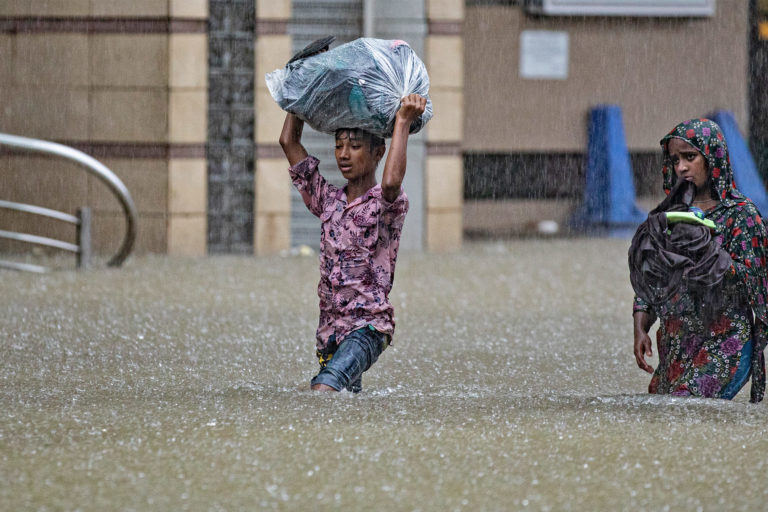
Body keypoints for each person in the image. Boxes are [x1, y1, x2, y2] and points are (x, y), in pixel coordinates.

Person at [279, 93, 427, 392]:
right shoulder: (327, 201)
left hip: (367, 328)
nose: (343, 154)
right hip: (329, 334)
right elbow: (288, 143)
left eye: (355, 147)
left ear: (377, 153)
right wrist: (301, 94)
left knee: (323, 392)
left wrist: (402, 121)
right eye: (338, 146)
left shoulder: (386, 205)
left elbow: (390, 183)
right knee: (340, 410)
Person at [632, 118, 768, 402]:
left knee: (687, 412)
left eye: (690, 157)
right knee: (663, 416)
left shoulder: (742, 216)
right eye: (675, 160)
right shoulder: (669, 216)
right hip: (676, 345)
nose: (681, 167)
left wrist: (708, 253)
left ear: (712, 158)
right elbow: (652, 279)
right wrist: (641, 327)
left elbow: (757, 284)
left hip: (724, 342)